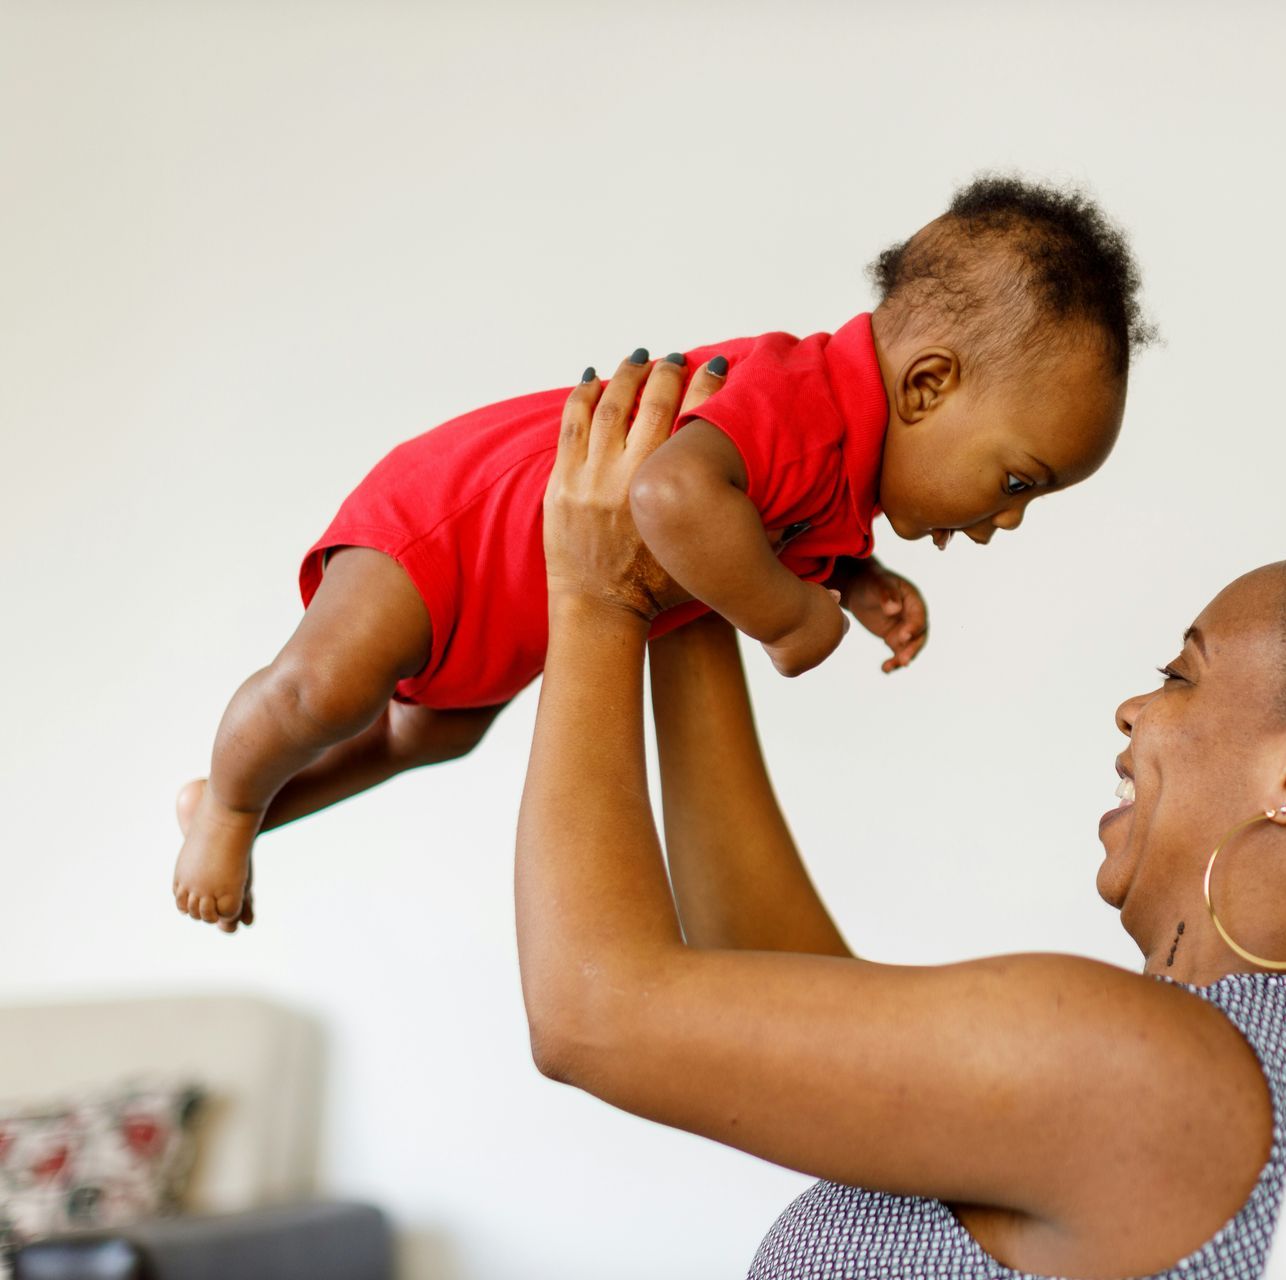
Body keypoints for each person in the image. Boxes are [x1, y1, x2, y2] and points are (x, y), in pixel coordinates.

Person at [517, 356, 1286, 1276]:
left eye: (1181, 673)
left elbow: (593, 1014)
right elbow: (781, 985)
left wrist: (593, 596)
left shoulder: (1163, 1073)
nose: (1134, 707)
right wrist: (689, 595)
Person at [173, 175, 1150, 931]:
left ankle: (251, 805)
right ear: (929, 384)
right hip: (451, 533)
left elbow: (769, 516)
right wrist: (785, 614)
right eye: (1019, 479)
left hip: (518, 616)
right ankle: (226, 803)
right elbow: (672, 492)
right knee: (320, 693)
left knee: (431, 734)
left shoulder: (839, 469)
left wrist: (856, 576)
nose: (1011, 517)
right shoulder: (802, 397)